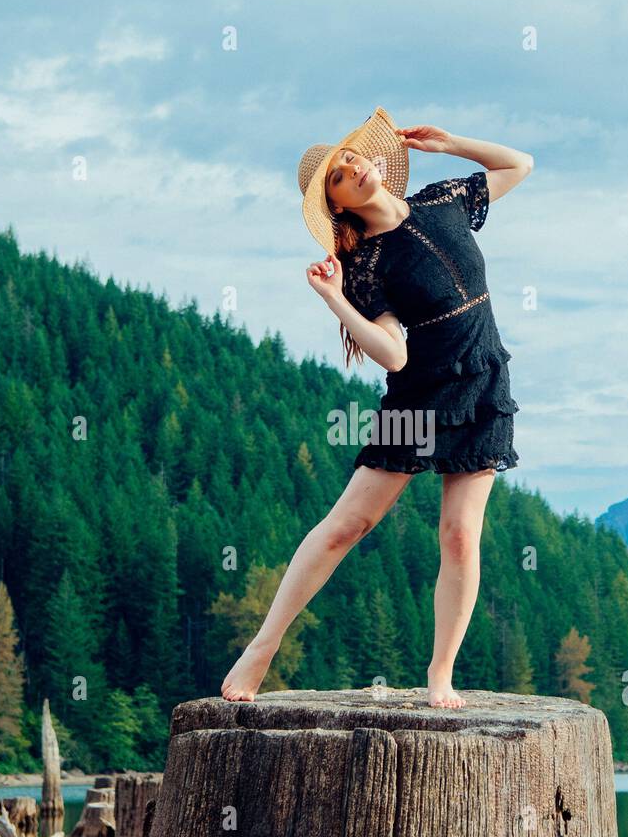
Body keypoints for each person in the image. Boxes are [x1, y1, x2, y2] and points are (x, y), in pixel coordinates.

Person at [221, 106, 532, 708]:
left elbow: (520, 163)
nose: (352, 168)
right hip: (419, 398)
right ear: (336, 204)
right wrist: (336, 300)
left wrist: (452, 144)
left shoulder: (445, 200)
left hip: (482, 386)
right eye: (338, 175)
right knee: (346, 527)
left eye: (352, 157)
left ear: (375, 162)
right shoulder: (366, 265)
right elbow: (391, 355)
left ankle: (440, 672)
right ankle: (261, 648)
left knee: (461, 536)